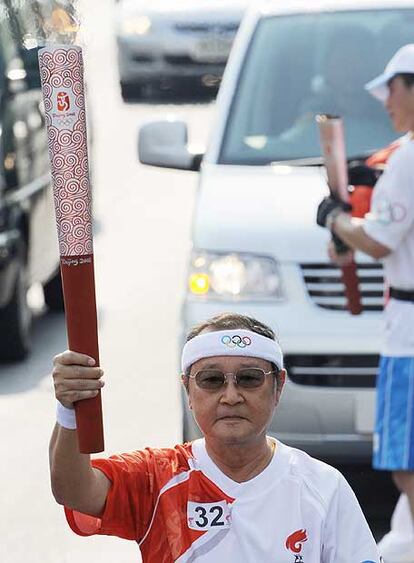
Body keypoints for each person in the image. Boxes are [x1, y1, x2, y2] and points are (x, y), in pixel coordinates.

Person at [50, 312, 381, 562]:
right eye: (211, 380)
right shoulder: (157, 477)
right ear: (189, 391)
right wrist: (70, 410)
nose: (231, 396)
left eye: (250, 378)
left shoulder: (323, 487)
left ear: (278, 387)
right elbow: (74, 490)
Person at [317, 43, 414, 563]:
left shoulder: (408, 158)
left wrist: (336, 218)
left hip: (410, 335)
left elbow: (378, 242)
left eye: (393, 89)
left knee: (408, 464)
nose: (386, 102)